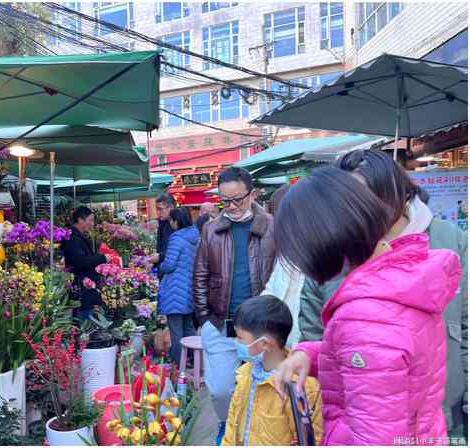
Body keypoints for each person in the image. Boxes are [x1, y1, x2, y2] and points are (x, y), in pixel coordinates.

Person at [272, 166, 462, 445]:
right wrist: (309, 355)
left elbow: (377, 437)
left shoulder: (365, 315)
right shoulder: (399, 275)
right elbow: (379, 359)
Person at [193, 167, 276, 445]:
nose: (231, 207)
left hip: (261, 326)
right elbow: (200, 273)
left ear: (252, 194)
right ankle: (226, 423)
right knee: (220, 389)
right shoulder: (211, 229)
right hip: (220, 323)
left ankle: (252, 433)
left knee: (264, 387)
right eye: (224, 201)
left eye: (237, 200)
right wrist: (204, 317)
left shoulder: (272, 226)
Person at [223, 295, 323, 446]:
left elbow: (309, 440)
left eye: (240, 338)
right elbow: (232, 425)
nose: (235, 343)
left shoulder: (298, 388)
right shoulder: (244, 375)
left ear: (264, 344)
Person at [260, 184, 304, 348]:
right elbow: (272, 290)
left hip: (305, 347)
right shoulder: (286, 252)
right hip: (283, 342)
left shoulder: (322, 251)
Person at [157, 207, 198, 364]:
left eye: (171, 221)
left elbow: (169, 264)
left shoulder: (176, 238)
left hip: (175, 289)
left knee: (176, 330)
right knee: (189, 327)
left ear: (176, 221)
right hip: (189, 287)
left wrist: (160, 266)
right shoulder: (196, 236)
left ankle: (177, 363)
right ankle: (195, 359)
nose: (170, 224)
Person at [62, 206, 111, 321]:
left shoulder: (78, 236)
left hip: (85, 286)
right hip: (81, 288)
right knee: (83, 320)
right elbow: (80, 262)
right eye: (90, 220)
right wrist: (102, 258)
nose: (92, 224)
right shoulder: (73, 238)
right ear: (80, 220)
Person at [148, 194, 176, 274]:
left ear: (170, 207)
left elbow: (177, 251)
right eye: (157, 209)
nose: (158, 212)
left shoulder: (177, 225)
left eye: (160, 209)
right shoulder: (163, 223)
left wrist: (159, 257)